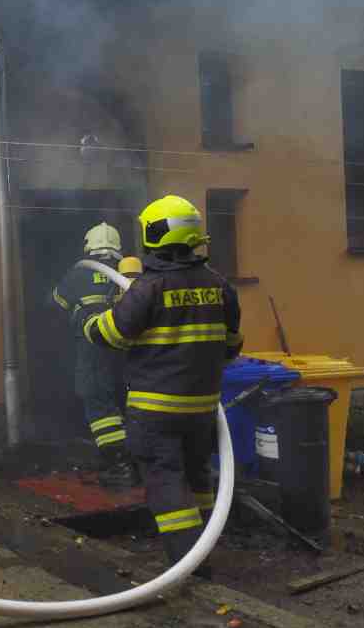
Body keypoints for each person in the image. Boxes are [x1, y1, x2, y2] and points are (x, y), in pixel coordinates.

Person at [83, 195, 243, 575]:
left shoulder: (148, 288)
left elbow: (111, 335)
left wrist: (89, 319)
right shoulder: (220, 287)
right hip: (201, 410)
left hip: (155, 412)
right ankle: (204, 548)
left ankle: (188, 565)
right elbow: (231, 346)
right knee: (197, 478)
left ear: (154, 234)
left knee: (165, 482)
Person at [53, 221, 139, 488]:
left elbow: (55, 305)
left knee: (98, 401)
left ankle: (119, 463)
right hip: (128, 350)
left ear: (88, 246)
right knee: (126, 400)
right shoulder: (126, 273)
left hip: (94, 349)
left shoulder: (78, 273)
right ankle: (136, 458)